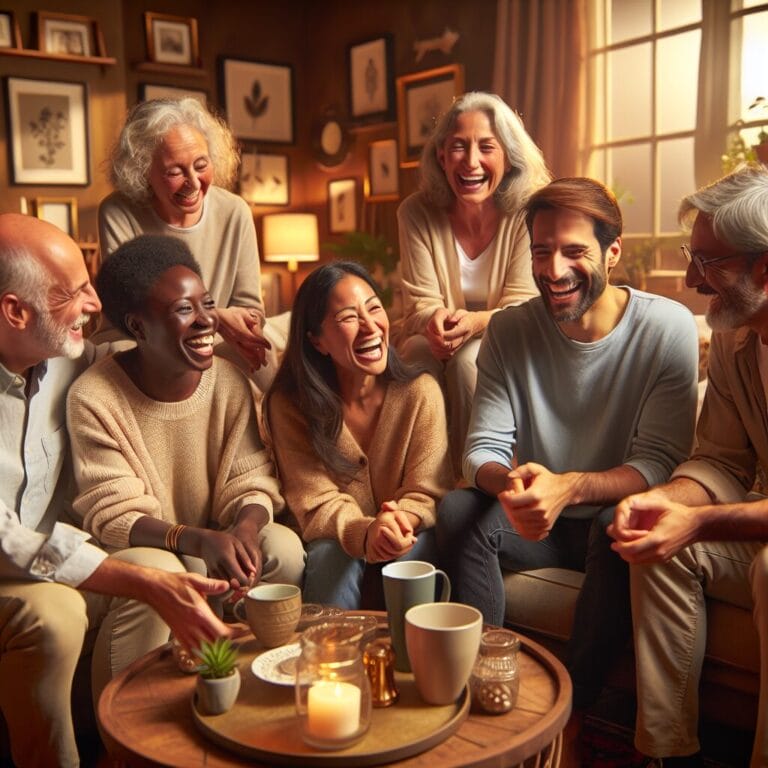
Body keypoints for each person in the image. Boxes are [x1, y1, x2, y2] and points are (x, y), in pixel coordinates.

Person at [436, 177, 698, 715]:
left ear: (613, 253)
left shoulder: (666, 327)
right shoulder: (509, 330)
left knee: (620, 522)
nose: (553, 271)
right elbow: (480, 449)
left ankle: (571, 712)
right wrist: (515, 489)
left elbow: (658, 463)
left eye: (575, 251)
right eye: (542, 251)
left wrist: (569, 488)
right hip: (537, 524)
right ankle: (485, 686)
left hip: (606, 520)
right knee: (459, 505)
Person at [0, 214, 232, 768]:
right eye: (74, 292)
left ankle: (135, 752)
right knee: (55, 612)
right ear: (15, 311)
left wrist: (251, 329)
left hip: (60, 562)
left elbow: (150, 343)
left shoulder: (64, 354)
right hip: (11, 573)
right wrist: (138, 581)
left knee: (162, 564)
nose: (92, 306)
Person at [609, 165, 768, 768]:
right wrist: (669, 503)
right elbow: (722, 460)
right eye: (691, 257)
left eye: (709, 264)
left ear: (766, 267)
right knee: (658, 540)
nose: (689, 280)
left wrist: (700, 524)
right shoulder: (733, 342)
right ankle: (669, 754)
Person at [68, 235, 305, 594]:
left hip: (214, 535)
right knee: (164, 570)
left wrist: (244, 528)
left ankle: (247, 646)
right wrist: (194, 541)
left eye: (207, 303)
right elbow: (115, 514)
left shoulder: (227, 379)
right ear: (137, 327)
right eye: (184, 309)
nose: (206, 321)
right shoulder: (94, 396)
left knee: (283, 548)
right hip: (141, 550)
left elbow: (252, 481)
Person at [265, 262, 452, 609]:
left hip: (408, 531)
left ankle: (414, 661)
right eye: (349, 318)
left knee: (412, 558)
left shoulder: (420, 392)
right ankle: (326, 659)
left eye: (374, 308)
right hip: (333, 537)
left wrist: (393, 526)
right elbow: (314, 501)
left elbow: (428, 492)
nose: (370, 327)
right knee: (328, 555)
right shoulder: (290, 405)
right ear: (317, 341)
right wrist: (365, 533)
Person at [397, 91, 550, 472]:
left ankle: (477, 479)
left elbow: (525, 305)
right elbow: (419, 302)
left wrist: (475, 324)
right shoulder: (415, 212)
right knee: (413, 357)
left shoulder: (530, 212)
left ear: (507, 156)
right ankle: (421, 481)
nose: (471, 162)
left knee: (469, 360)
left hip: (514, 338)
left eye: (486, 147)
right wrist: (435, 322)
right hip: (433, 336)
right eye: (458, 147)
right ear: (441, 156)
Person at [97, 97, 275, 387]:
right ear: (143, 172)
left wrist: (229, 324)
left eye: (201, 165)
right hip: (136, 339)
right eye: (174, 172)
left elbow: (251, 310)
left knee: (262, 358)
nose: (193, 181)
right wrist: (214, 315)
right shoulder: (118, 211)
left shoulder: (235, 211)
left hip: (212, 338)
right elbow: (133, 309)